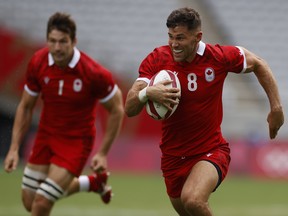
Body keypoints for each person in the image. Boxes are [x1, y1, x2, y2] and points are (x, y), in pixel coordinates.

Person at [124, 7, 284, 216]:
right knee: (187, 210)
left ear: (197, 37)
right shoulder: (157, 59)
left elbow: (258, 64)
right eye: (171, 37)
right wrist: (147, 93)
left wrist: (277, 108)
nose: (174, 44)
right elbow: (129, 108)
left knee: (193, 200)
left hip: (210, 150)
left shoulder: (217, 57)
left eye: (180, 38)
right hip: (172, 156)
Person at [4, 12, 124, 216]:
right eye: (52, 41)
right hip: (45, 137)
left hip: (76, 143)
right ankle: (91, 184)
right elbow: (25, 106)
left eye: (63, 42)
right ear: (47, 40)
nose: (57, 48)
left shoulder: (92, 72)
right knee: (29, 201)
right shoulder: (38, 62)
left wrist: (103, 152)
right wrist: (14, 148)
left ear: (74, 41)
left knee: (42, 203)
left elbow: (117, 108)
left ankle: (88, 182)